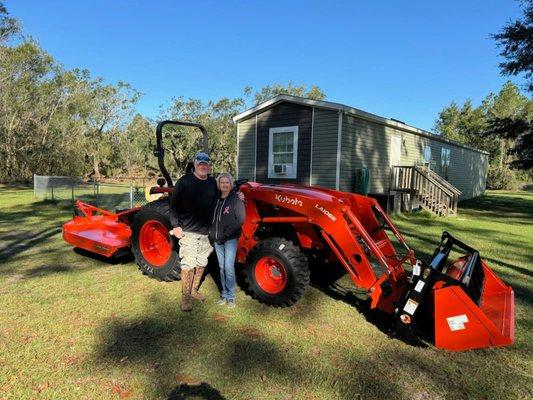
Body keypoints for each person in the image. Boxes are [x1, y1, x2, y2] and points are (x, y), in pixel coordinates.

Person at [169, 152, 218, 312]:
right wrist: (175, 226)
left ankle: (194, 290)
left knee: (201, 262)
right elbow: (174, 205)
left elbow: (221, 200)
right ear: (195, 165)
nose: (203, 166)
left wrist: (237, 195)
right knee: (188, 264)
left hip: (206, 232)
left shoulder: (212, 183)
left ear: (209, 166)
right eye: (200, 163)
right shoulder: (185, 181)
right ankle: (185, 298)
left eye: (206, 163)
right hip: (188, 231)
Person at [209, 173, 245, 308]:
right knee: (222, 267)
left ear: (231, 185)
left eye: (227, 182)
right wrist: (212, 233)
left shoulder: (236, 199)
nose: (224, 185)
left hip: (229, 239)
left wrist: (226, 234)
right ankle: (224, 294)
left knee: (229, 267)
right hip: (217, 239)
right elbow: (211, 219)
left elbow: (240, 219)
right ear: (219, 185)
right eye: (222, 182)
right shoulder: (216, 200)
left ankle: (231, 297)